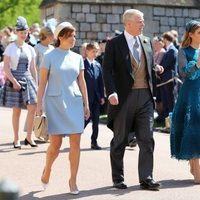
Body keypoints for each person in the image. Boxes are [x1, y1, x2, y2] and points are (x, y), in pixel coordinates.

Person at [103, 9, 163, 190]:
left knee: (147, 137)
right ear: (128, 23)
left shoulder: (146, 41)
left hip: (145, 96)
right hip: (123, 98)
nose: (143, 24)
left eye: (143, 21)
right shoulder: (114, 44)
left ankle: (146, 178)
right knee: (120, 139)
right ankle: (118, 178)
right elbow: (107, 70)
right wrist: (111, 92)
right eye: (140, 21)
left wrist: (156, 68)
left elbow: (149, 65)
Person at [37, 22, 90, 194]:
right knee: (56, 146)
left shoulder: (77, 58)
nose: (74, 39)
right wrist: (39, 104)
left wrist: (86, 104)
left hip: (74, 102)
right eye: (71, 36)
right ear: (61, 37)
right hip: (54, 103)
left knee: (76, 143)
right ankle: (47, 169)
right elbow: (43, 82)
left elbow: (81, 82)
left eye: (74, 35)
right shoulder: (49, 56)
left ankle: (73, 181)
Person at [0, 16, 38, 149]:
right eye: (21, 32)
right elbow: (6, 67)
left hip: (27, 79)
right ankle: (16, 138)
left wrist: (37, 85)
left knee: (32, 107)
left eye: (25, 32)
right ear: (16, 32)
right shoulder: (10, 47)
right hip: (14, 78)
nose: (23, 35)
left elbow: (33, 68)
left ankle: (29, 137)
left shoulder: (30, 49)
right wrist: (14, 81)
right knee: (16, 110)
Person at [170, 20, 200, 184]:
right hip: (190, 95)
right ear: (190, 35)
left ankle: (194, 164)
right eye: (199, 33)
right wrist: (197, 64)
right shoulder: (183, 51)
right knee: (193, 128)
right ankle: (196, 168)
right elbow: (185, 74)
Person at [84, 42, 105, 150]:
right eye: (93, 51)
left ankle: (94, 141)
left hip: (96, 98)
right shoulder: (83, 65)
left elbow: (100, 82)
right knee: (85, 120)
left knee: (96, 121)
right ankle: (75, 136)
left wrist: (102, 96)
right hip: (86, 98)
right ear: (87, 51)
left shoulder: (97, 65)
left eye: (96, 51)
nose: (95, 54)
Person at [159, 32, 178, 123]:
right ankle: (166, 119)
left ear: (166, 39)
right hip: (165, 79)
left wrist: (159, 69)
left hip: (169, 79)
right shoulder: (168, 50)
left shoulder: (172, 50)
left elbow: (166, 65)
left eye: (163, 39)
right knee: (165, 100)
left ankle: (171, 120)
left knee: (170, 101)